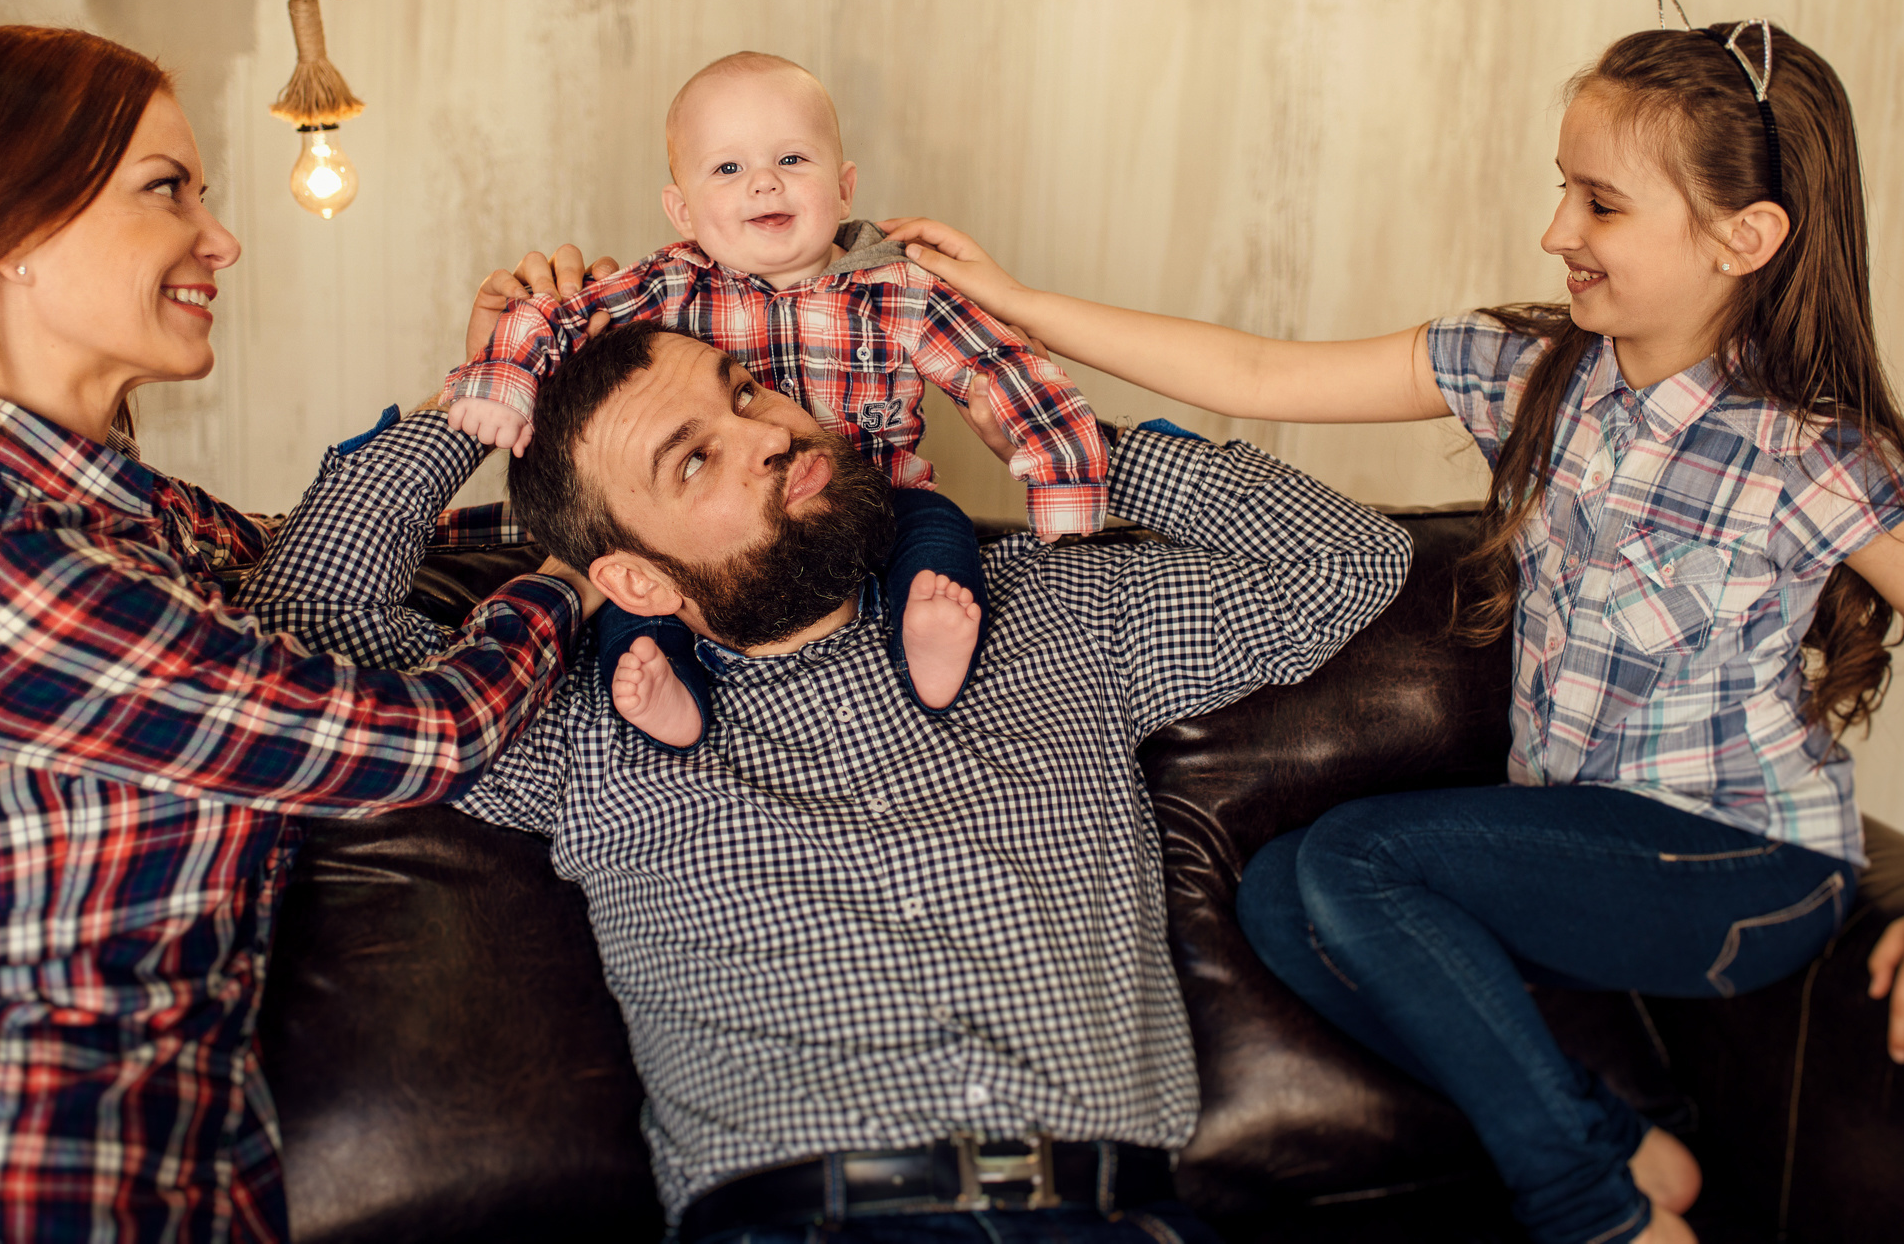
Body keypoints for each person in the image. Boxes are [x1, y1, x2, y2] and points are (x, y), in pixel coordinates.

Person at [881, 16, 1904, 1244]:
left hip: (1747, 865)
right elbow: (1257, 374)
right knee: (1279, 900)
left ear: (1742, 239)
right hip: (1580, 839)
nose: (1557, 231)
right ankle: (1612, 1144)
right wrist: (1019, 305)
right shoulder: (1531, 372)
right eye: (1563, 189)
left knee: (1353, 864)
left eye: (1601, 204)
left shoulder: (1810, 456)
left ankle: (1597, 1214)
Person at [284, 309, 1409, 1239]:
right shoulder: (576, 724)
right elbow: (311, 616)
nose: (767, 434)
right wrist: (491, 386)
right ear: (634, 581)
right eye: (694, 458)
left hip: (1117, 1215)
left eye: (744, 390)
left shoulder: (1057, 609)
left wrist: (1069, 439)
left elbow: (1351, 560)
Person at [0, 27, 593, 1244]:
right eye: (168, 190)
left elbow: (327, 552)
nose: (222, 238)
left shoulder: (130, 520)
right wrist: (570, 580)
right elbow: (418, 740)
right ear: (10, 228)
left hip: (168, 1176)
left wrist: (493, 389)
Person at [439, 50, 1108, 743]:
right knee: (640, 598)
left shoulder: (900, 291)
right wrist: (505, 381)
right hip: (730, 543)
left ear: (843, 189)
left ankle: (927, 640)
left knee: (939, 532)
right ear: (683, 210)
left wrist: (1063, 479)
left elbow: (1004, 367)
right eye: (728, 168)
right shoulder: (670, 285)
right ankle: (669, 690)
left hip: (880, 496)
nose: (764, 182)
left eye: (792, 159)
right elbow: (559, 311)